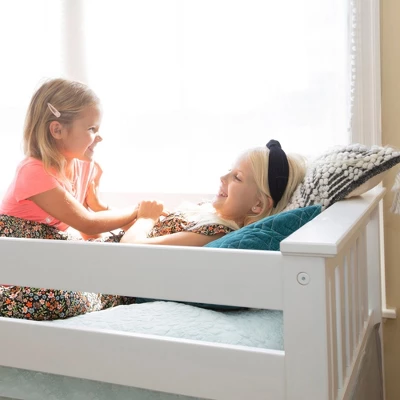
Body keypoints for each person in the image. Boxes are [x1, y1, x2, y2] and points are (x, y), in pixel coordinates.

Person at [0, 78, 138, 320]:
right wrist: (138, 211)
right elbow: (87, 223)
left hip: (51, 262)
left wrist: (107, 254)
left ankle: (108, 291)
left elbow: (90, 233)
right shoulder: (33, 172)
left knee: (118, 260)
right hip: (19, 269)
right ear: (57, 130)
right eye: (92, 129)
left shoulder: (84, 167)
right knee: (62, 298)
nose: (99, 137)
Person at [121, 140, 306, 246]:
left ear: (258, 204)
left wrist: (146, 219)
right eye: (229, 170)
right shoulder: (209, 214)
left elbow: (131, 250)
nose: (222, 178)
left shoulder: (214, 232)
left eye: (237, 177)